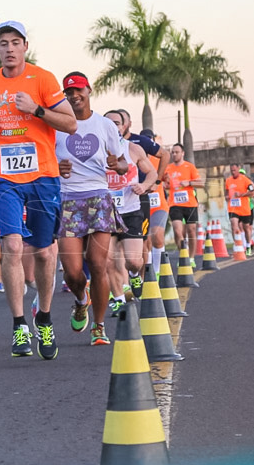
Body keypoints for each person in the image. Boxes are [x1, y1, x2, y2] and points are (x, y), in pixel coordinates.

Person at [0, 21, 77, 360]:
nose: (8, 48)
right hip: (4, 176)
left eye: (14, 42)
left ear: (25, 47)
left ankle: (44, 317)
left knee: (46, 253)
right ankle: (20, 324)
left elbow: (70, 123)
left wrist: (35, 109)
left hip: (43, 176)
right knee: (12, 245)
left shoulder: (43, 79)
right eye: (2, 43)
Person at [55, 74, 126, 346]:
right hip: (68, 199)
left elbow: (122, 164)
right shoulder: (58, 125)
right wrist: (57, 167)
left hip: (98, 198)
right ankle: (81, 299)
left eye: (79, 90)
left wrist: (115, 164)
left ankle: (99, 326)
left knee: (98, 264)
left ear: (88, 90)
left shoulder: (105, 125)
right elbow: (46, 159)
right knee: (73, 272)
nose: (74, 96)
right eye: (69, 91)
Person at [103, 111, 158, 313]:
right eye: (107, 123)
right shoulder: (94, 150)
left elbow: (152, 173)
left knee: (133, 261)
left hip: (131, 210)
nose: (113, 127)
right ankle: (118, 297)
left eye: (117, 123)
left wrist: (144, 186)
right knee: (107, 259)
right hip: (105, 213)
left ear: (125, 126)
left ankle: (134, 275)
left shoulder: (133, 149)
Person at [164, 143, 205, 267]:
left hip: (190, 203)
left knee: (191, 231)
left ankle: (191, 258)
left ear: (183, 153)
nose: (174, 154)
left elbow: (201, 183)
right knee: (178, 231)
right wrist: (164, 185)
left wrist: (189, 182)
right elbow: (163, 184)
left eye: (177, 152)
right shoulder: (168, 168)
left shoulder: (190, 167)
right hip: (174, 203)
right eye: (173, 152)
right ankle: (184, 255)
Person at [139, 129, 172, 272]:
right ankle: (148, 271)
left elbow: (168, 180)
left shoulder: (159, 159)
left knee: (157, 235)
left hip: (159, 205)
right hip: (141, 205)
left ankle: (157, 272)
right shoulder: (135, 158)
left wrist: (164, 181)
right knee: (145, 242)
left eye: (150, 140)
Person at [225, 163, 254, 256]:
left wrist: (241, 194)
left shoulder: (245, 180)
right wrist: (227, 197)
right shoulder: (228, 181)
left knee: (246, 228)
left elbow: (252, 192)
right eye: (231, 170)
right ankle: (237, 245)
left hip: (244, 208)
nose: (233, 172)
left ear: (238, 169)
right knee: (234, 224)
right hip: (233, 208)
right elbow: (226, 192)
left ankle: (248, 246)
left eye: (234, 170)